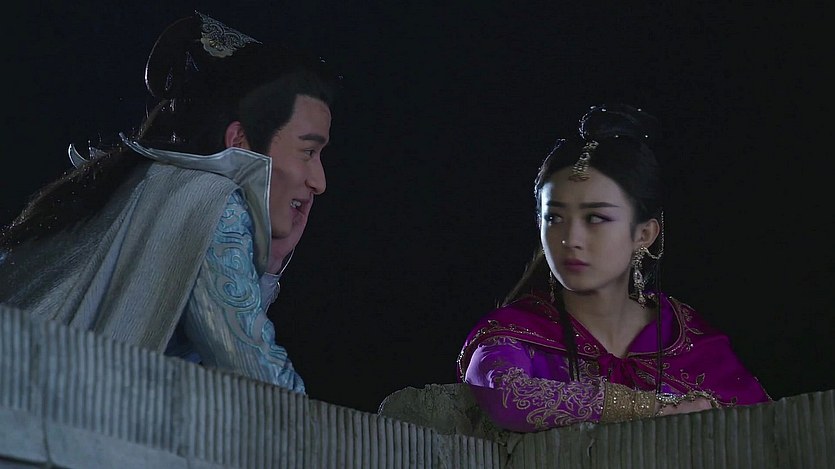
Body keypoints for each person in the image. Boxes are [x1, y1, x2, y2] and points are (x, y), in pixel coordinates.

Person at [0, 11, 341, 394]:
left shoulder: (143, 188)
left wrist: (268, 264)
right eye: (308, 151)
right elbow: (259, 380)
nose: (319, 182)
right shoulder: (208, 199)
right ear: (240, 141)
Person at [456, 104, 771, 432]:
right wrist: (655, 408)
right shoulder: (513, 332)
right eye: (555, 218)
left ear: (644, 234)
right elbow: (509, 397)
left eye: (595, 218)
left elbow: (762, 427)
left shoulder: (687, 337)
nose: (571, 239)